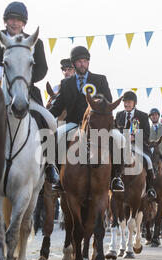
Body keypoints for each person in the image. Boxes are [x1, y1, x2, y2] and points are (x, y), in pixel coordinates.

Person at [0, 1, 58, 184]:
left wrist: (22, 77)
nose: (14, 23)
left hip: (24, 93)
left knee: (50, 121)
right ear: (5, 21)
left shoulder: (35, 42)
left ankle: (50, 164)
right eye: (11, 19)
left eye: (19, 20)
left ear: (24, 23)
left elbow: (42, 69)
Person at [49, 45, 124, 192]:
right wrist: (44, 116)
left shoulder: (100, 79)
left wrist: (98, 103)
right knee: (57, 136)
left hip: (97, 124)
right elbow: (58, 107)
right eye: (79, 62)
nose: (82, 64)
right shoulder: (66, 83)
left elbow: (108, 102)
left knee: (119, 138)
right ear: (73, 64)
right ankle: (58, 177)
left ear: (88, 63)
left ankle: (116, 177)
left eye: (85, 61)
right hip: (73, 123)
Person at [115, 91, 156, 200]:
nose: (126, 104)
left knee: (148, 161)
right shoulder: (119, 114)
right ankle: (114, 181)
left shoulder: (142, 116)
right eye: (125, 102)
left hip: (138, 146)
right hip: (121, 145)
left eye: (129, 102)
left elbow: (147, 133)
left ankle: (150, 188)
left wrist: (134, 138)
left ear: (134, 103)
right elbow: (115, 129)